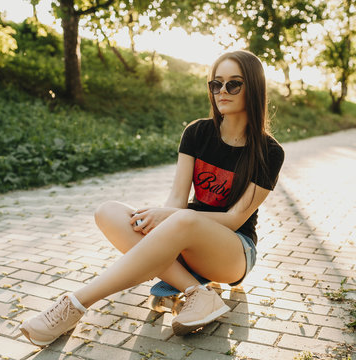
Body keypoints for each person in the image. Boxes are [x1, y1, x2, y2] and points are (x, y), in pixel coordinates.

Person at [20, 50, 285, 347]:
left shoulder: (269, 152)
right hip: (185, 233)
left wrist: (171, 217)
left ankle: (75, 305)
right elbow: (176, 198)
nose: (222, 91)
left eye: (233, 84)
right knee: (108, 211)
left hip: (233, 251)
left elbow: (235, 218)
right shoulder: (197, 133)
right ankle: (197, 293)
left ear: (253, 87)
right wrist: (158, 220)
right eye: (215, 84)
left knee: (183, 217)